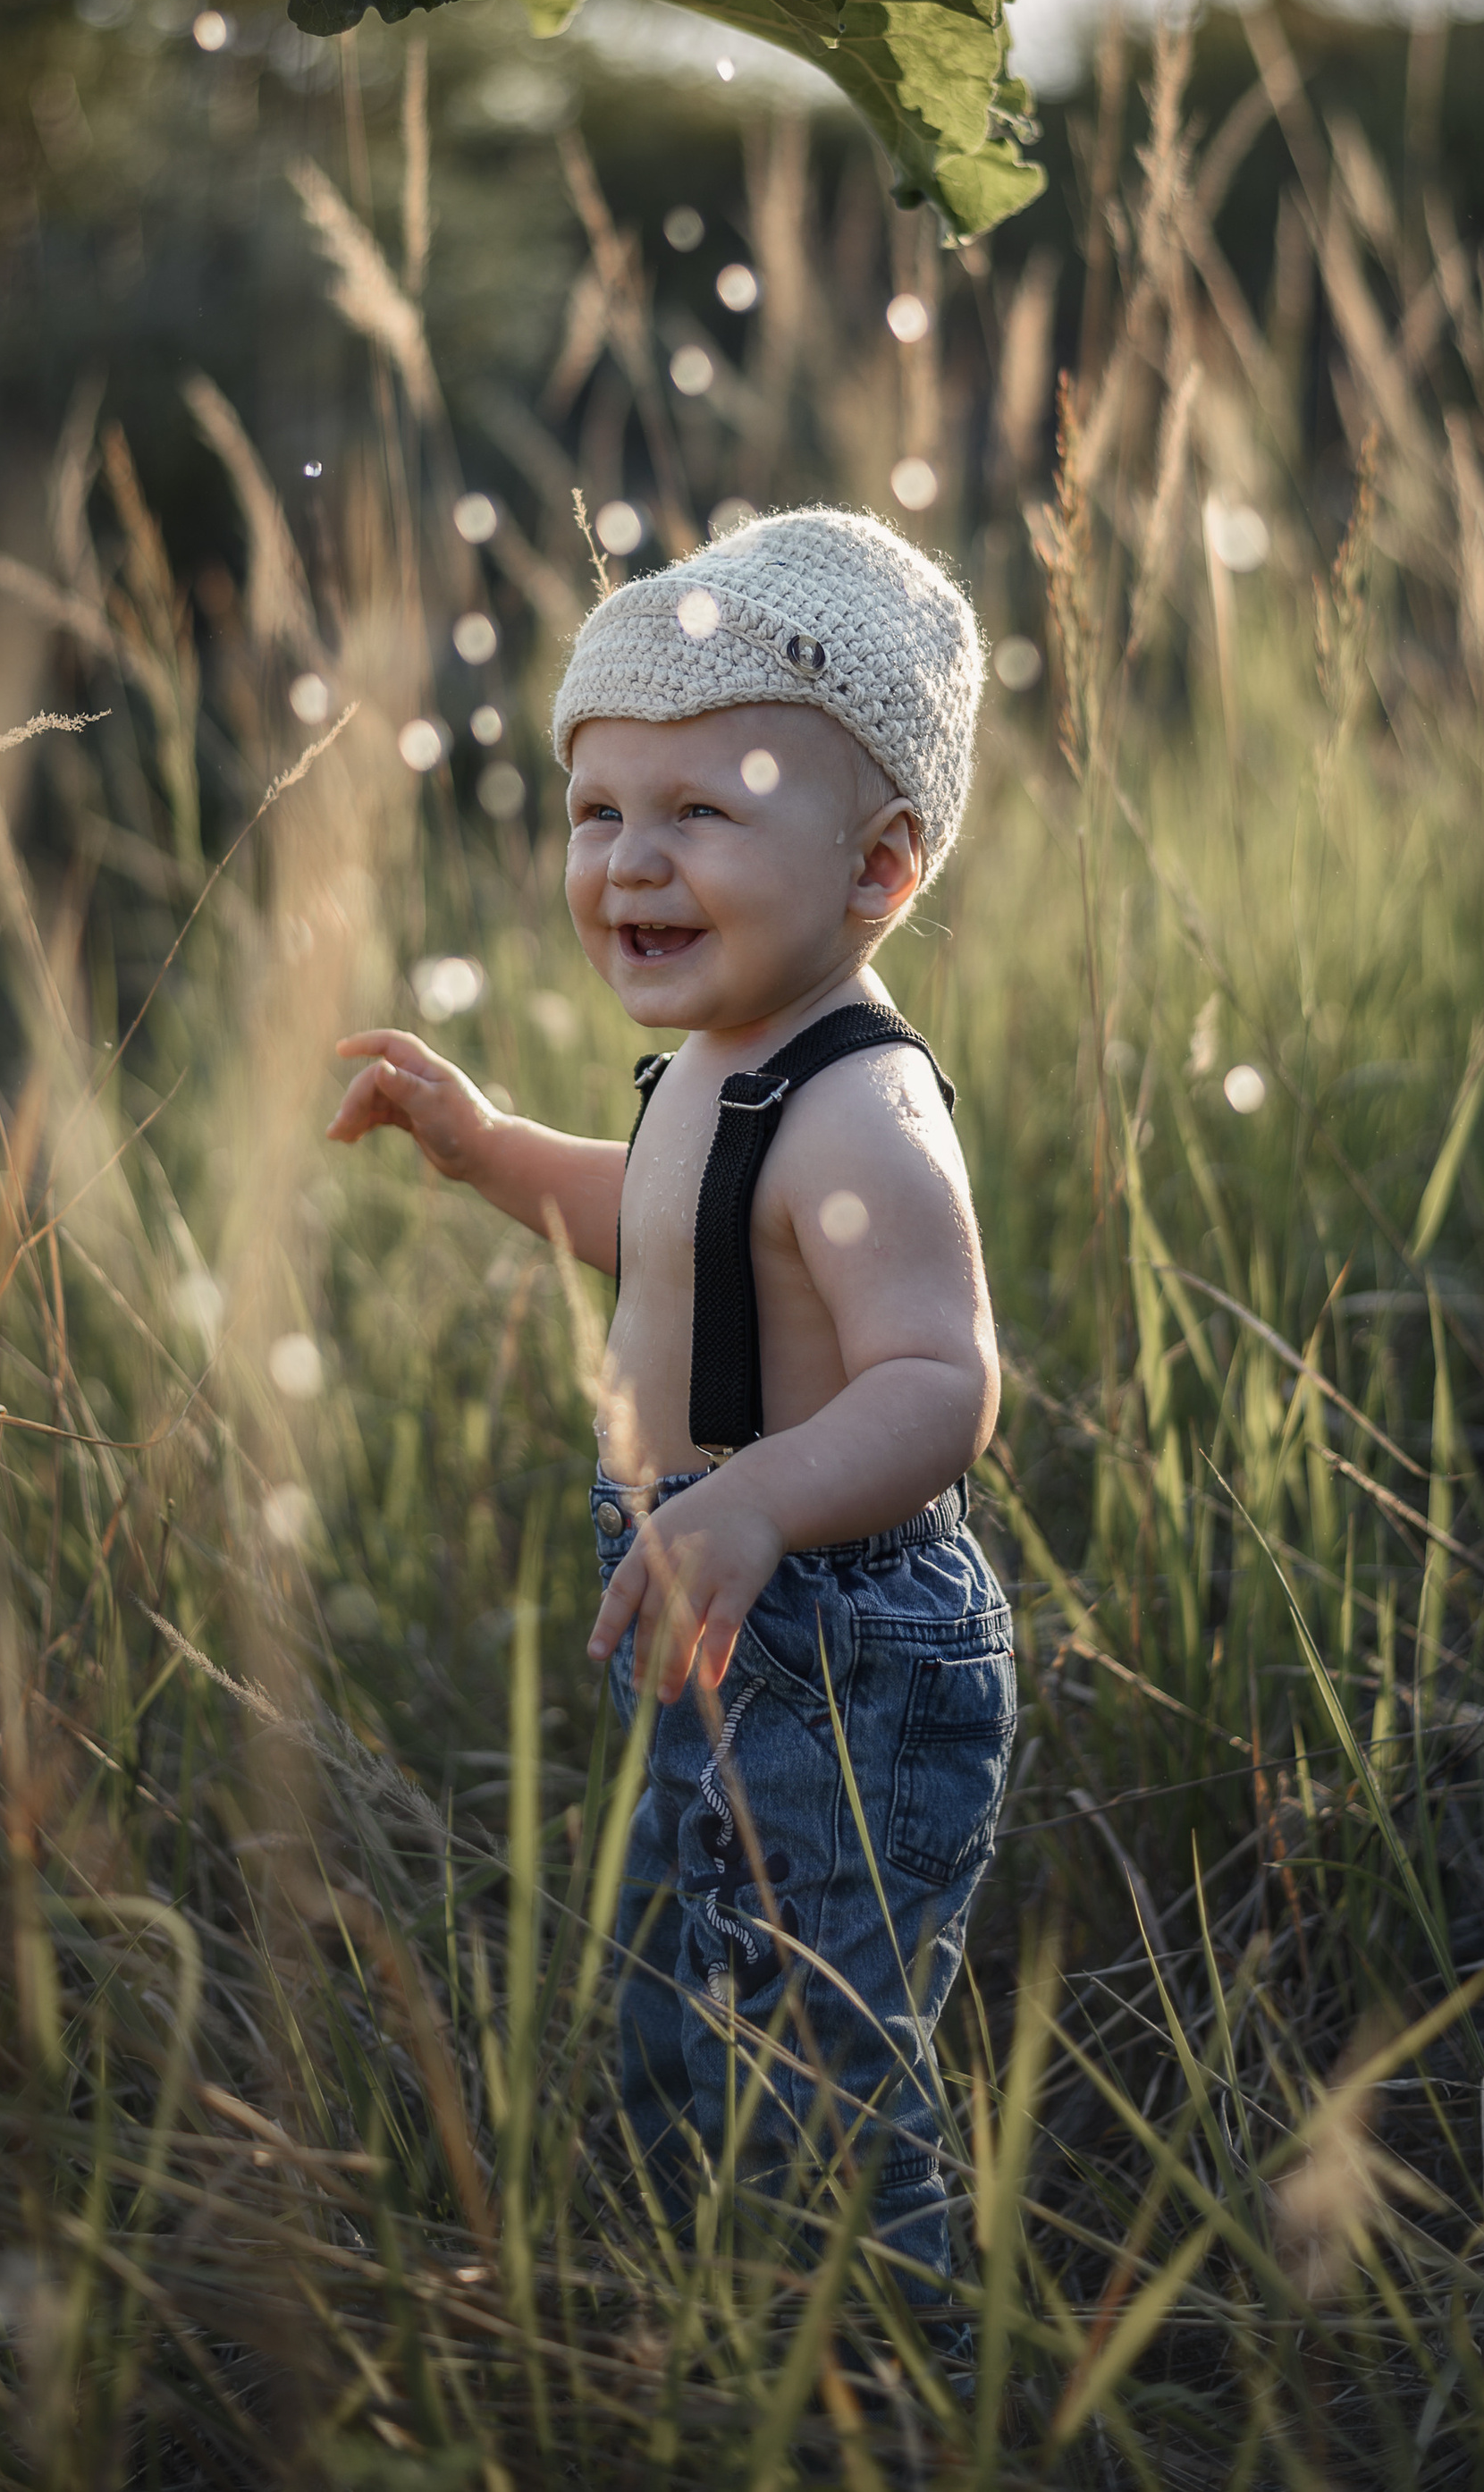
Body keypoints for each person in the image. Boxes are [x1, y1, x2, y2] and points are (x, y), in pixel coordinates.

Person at [328, 504, 1014, 2323]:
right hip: (705, 1597)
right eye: (597, 811)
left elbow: (941, 1384)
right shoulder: (713, 1068)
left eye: (700, 813)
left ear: (876, 871)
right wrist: (483, 1152)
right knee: (669, 1981)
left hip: (836, 1641)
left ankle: (882, 2373)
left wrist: (764, 1503)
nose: (629, 861)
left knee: (817, 2060)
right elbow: (656, 1230)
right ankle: (693, 2311)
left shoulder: (861, 1109)